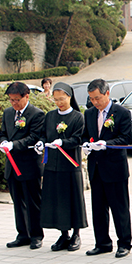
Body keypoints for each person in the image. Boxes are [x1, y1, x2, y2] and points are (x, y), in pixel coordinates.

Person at [82, 79, 132, 258]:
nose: (95, 102)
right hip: (95, 167)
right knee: (98, 208)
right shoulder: (88, 114)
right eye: (92, 99)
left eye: (98, 98)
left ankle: (124, 243)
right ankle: (102, 242)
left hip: (114, 167)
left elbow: (125, 138)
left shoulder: (122, 113)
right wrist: (86, 145)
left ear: (107, 93)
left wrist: (106, 144)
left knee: (119, 207)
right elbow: (85, 136)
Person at [36, 82, 87, 252]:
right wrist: (41, 143)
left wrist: (63, 142)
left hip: (70, 165)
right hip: (53, 165)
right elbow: (44, 135)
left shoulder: (78, 117)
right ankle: (63, 233)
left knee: (72, 199)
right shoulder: (50, 116)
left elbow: (78, 139)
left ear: (70, 97)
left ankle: (76, 234)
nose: (59, 103)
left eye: (62, 99)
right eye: (56, 99)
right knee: (57, 200)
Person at [0, 82, 45, 249]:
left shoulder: (36, 114)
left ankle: (36, 235)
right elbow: (2, 132)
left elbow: (33, 137)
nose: (14, 103)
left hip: (29, 164)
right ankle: (22, 234)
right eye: (11, 100)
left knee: (32, 201)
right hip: (12, 165)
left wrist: (14, 145)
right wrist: (3, 142)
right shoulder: (8, 113)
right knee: (17, 202)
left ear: (27, 96)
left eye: (17, 100)